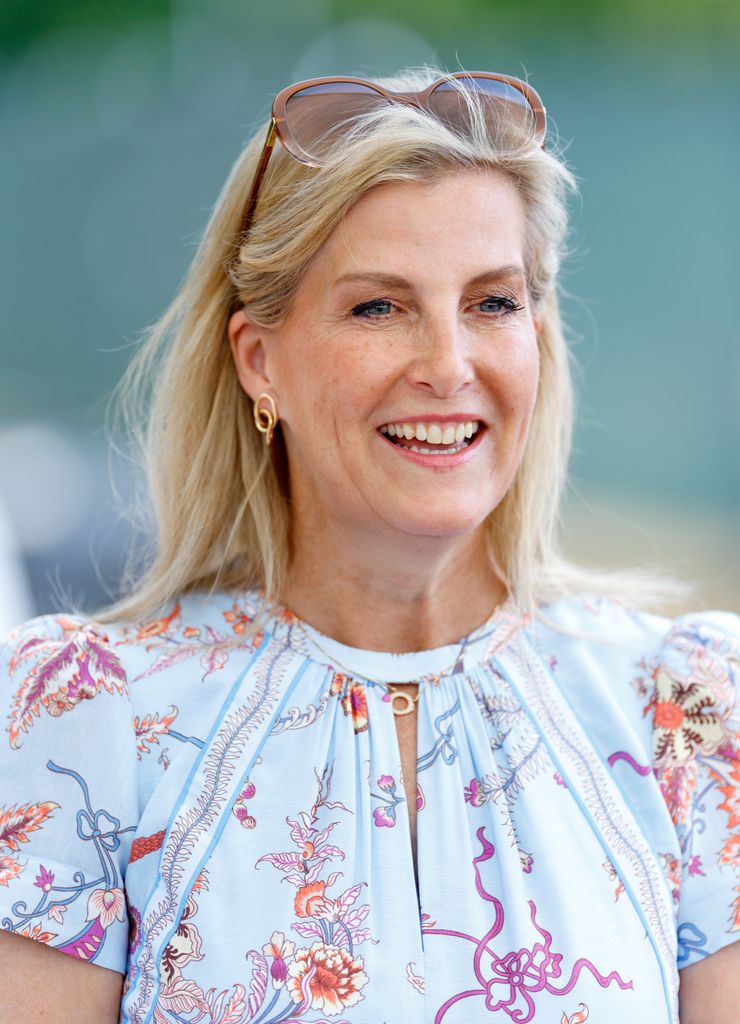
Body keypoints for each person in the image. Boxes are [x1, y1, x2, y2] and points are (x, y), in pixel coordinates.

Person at [0, 67, 737, 1024]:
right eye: (378, 307)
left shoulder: (686, 712)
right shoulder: (83, 720)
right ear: (260, 361)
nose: (448, 365)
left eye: (492, 303)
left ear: (541, 340)